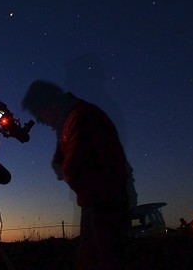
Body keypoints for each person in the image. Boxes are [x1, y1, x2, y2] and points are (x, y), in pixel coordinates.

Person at [22, 79, 137, 270]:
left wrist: (64, 169)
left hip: (107, 203)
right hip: (98, 202)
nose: (40, 121)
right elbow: (64, 158)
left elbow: (76, 168)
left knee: (104, 261)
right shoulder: (72, 118)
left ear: (50, 104)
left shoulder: (82, 118)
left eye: (39, 114)